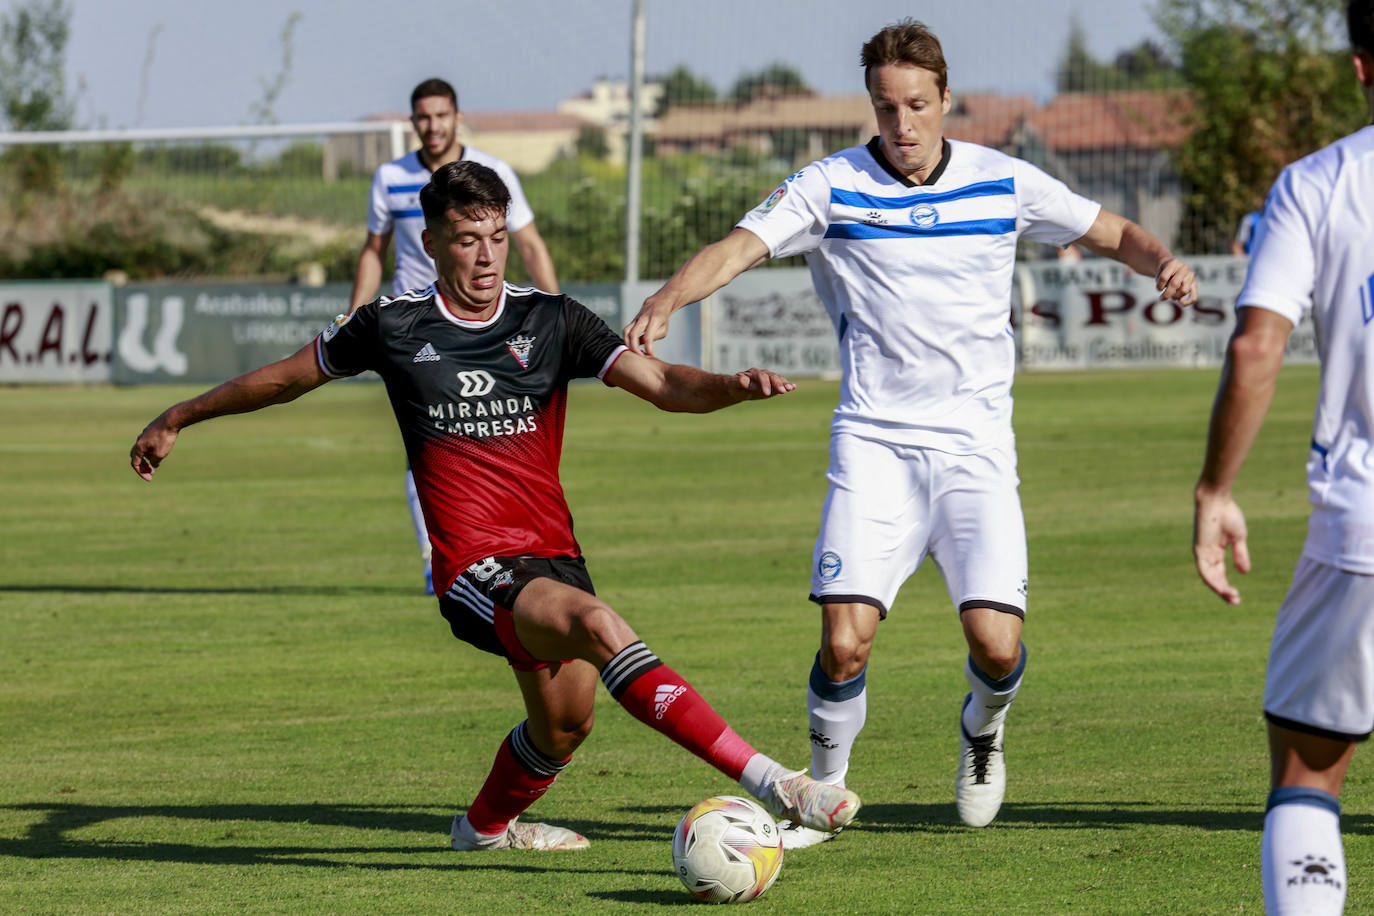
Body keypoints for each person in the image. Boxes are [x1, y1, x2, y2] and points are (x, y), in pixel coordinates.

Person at [131, 160, 860, 853]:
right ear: (433, 243)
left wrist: (729, 387)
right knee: (601, 626)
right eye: (468, 239)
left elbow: (663, 383)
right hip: (474, 569)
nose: (487, 256)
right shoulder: (393, 324)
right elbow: (285, 379)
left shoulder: (552, 320)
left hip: (553, 558)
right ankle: (778, 782)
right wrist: (179, 416)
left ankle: (481, 829)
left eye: (497, 237)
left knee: (565, 727)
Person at [625, 19, 1198, 847]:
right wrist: (668, 300)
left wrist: (1163, 262)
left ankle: (983, 730)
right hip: (875, 445)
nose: (902, 125)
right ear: (873, 105)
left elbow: (1109, 230)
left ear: (945, 100)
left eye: (917, 106)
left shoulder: (1003, 181)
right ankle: (821, 795)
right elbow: (739, 248)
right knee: (844, 641)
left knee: (997, 647)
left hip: (975, 451)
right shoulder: (828, 186)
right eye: (886, 108)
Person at [1193, 4, 1374, 911]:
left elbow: (1257, 346)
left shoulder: (1321, 183)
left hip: (1363, 530)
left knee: (1309, 770)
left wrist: (1216, 488)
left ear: (1360, 66)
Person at [351, 77, 560, 596]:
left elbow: (529, 243)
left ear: (456, 117)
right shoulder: (390, 177)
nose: (433, 126)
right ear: (413, 122)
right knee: (426, 443)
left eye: (441, 116)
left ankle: (496, 545)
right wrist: (355, 321)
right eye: (423, 117)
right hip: (415, 331)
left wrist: (555, 313)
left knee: (496, 430)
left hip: (484, 326)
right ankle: (436, 555)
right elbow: (374, 251)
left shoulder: (493, 174)